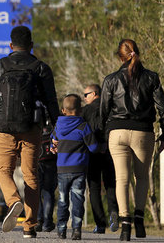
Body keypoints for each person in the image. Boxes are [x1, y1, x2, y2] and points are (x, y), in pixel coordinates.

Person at [0, 26, 59, 239]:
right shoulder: (41, 68)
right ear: (31, 46)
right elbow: (51, 102)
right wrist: (56, 131)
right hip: (31, 129)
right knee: (31, 176)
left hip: (3, 129)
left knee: (3, 171)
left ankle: (13, 201)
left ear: (10, 46)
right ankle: (29, 226)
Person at [100, 39, 164, 241]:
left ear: (120, 57)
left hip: (117, 132)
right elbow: (163, 108)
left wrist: (104, 135)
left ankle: (125, 226)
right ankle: (139, 221)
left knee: (121, 178)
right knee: (141, 177)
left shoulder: (111, 80)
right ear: (137, 53)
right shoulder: (151, 77)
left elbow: (103, 111)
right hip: (143, 133)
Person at [50, 94, 98, 240]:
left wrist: (53, 146)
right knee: (77, 199)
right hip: (79, 169)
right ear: (80, 110)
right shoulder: (84, 127)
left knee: (63, 200)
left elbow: (53, 144)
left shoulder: (58, 126)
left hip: (62, 169)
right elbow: (94, 147)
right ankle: (76, 230)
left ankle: (61, 229)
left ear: (63, 110)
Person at [82, 84, 119, 234]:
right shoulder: (111, 107)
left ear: (95, 93)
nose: (84, 98)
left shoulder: (86, 111)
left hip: (92, 152)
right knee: (111, 184)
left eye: (86, 95)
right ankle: (114, 212)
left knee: (94, 188)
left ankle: (100, 224)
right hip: (110, 150)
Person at [35, 120, 57, 233]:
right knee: (48, 192)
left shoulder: (35, 115)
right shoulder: (55, 119)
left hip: (37, 159)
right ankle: (47, 223)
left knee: (37, 191)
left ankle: (38, 220)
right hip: (51, 160)